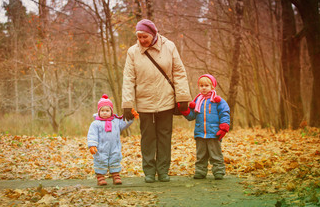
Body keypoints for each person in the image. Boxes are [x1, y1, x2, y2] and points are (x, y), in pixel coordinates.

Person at [122, 19, 192, 183]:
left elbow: (179, 73)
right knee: (147, 138)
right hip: (144, 102)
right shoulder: (133, 52)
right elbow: (128, 79)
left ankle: (163, 171)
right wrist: (127, 104)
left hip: (166, 99)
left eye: (144, 36)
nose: (142, 40)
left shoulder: (169, 46)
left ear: (153, 34)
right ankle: (149, 171)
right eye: (139, 37)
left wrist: (182, 98)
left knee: (164, 137)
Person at [178, 74, 230, 180]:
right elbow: (191, 116)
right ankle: (200, 171)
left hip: (214, 132)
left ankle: (219, 171)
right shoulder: (197, 101)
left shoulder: (218, 101)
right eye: (201, 85)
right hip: (200, 132)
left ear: (212, 86)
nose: (204, 87)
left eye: (206, 85)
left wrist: (224, 126)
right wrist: (185, 111)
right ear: (199, 87)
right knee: (201, 154)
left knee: (215, 154)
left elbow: (225, 113)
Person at [87, 94, 133, 186]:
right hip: (101, 148)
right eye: (102, 110)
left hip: (114, 147)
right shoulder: (96, 124)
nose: (105, 112)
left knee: (115, 159)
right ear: (98, 111)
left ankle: (116, 176)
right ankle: (100, 177)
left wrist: (130, 117)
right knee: (100, 160)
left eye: (107, 110)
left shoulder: (116, 121)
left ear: (111, 111)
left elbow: (125, 123)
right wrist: (92, 145)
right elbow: (92, 135)